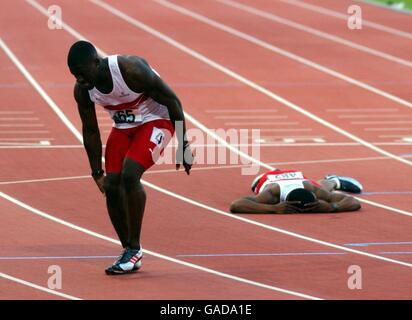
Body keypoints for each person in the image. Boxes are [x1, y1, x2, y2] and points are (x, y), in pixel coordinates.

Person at [67, 41, 193, 275]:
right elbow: (90, 130)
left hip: (156, 121)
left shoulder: (130, 69)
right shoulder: (82, 89)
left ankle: (134, 247)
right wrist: (96, 172)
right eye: (74, 75)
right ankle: (129, 250)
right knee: (112, 185)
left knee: (130, 175)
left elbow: (173, 102)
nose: (80, 80)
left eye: (82, 74)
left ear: (96, 63)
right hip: (124, 127)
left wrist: (183, 145)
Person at [230, 169, 362, 214]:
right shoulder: (272, 194)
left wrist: (332, 206)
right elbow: (236, 205)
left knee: (324, 188)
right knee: (323, 189)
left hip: (298, 178)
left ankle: (333, 180)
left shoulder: (311, 189)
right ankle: (332, 181)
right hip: (266, 176)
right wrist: (274, 209)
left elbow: (354, 202)